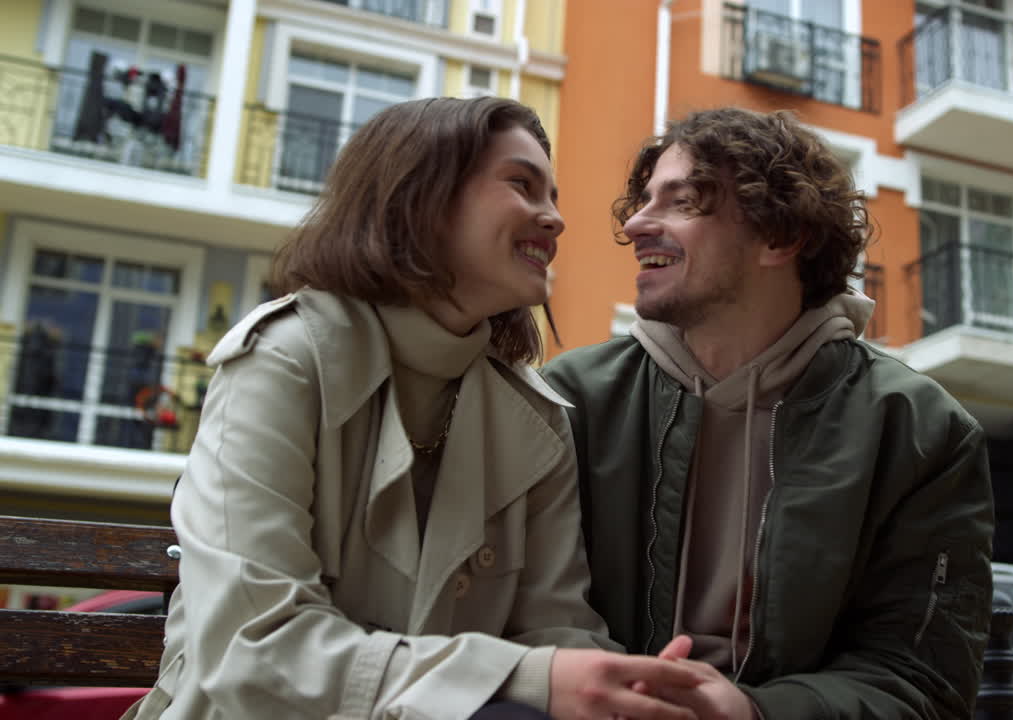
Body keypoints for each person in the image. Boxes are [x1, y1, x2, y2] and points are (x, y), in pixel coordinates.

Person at [123, 97, 705, 720]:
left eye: (553, 195)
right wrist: (527, 679)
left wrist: (626, 689)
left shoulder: (536, 420)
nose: (555, 219)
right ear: (420, 193)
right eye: (522, 184)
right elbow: (252, 652)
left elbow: (555, 632)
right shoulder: (285, 359)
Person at [542, 107, 995, 719]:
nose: (638, 225)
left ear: (781, 237)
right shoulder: (571, 397)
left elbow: (921, 682)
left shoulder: (917, 429)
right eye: (645, 201)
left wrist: (755, 713)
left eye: (683, 202)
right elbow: (525, 613)